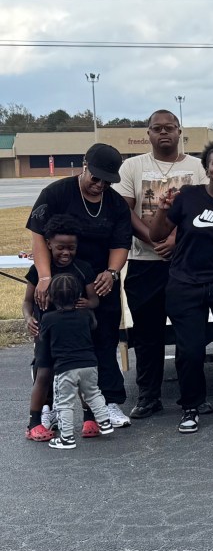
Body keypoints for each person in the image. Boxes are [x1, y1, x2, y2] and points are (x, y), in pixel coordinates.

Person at [148, 142, 213, 434]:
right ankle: (191, 407)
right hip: (185, 284)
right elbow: (156, 235)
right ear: (206, 168)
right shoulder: (187, 197)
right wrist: (162, 211)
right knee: (191, 350)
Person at [26, 143, 132, 430]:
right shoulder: (56, 193)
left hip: (98, 281)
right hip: (58, 281)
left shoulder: (116, 205)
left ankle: (107, 402)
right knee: (50, 346)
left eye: (107, 181)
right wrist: (44, 277)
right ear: (84, 165)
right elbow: (38, 236)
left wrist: (112, 272)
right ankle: (47, 407)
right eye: (96, 178)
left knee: (104, 340)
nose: (100, 185)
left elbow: (121, 243)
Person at [114, 109, 210, 420]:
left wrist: (176, 239)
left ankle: (193, 397)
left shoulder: (197, 167)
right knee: (147, 335)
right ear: (149, 134)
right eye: (157, 128)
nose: (164, 132)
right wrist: (154, 239)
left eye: (170, 127)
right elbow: (124, 211)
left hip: (187, 264)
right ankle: (148, 396)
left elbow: (205, 209)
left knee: (189, 334)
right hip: (144, 263)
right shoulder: (132, 167)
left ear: (180, 131)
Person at [23, 216, 99, 441]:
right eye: (60, 247)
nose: (66, 252)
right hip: (46, 332)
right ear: (48, 244)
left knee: (81, 375)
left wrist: (88, 303)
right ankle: (34, 423)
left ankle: (89, 419)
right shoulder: (39, 270)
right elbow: (27, 301)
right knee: (44, 374)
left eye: (71, 247)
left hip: (75, 334)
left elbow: (94, 300)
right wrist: (28, 318)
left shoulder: (83, 268)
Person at [37, 274, 115, 450]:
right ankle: (105, 422)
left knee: (64, 402)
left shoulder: (48, 318)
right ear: (79, 295)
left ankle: (66, 438)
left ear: (51, 297)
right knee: (93, 393)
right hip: (89, 364)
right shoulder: (85, 314)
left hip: (65, 367)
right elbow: (93, 325)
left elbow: (43, 337)